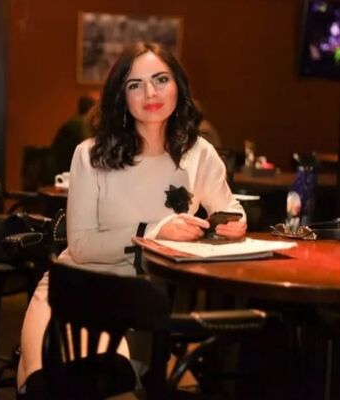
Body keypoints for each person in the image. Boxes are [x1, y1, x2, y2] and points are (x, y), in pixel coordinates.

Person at [17, 42, 247, 392]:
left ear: (178, 86)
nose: (150, 93)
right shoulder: (90, 155)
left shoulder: (199, 153)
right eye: (135, 84)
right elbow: (81, 246)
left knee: (116, 381)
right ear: (121, 96)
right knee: (51, 384)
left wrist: (233, 224)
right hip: (77, 289)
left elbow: (229, 209)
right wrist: (156, 230)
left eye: (161, 79)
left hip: (142, 301)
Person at [49, 93, 99, 177]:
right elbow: (88, 147)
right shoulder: (83, 123)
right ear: (92, 108)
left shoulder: (73, 120)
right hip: (68, 164)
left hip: (59, 162)